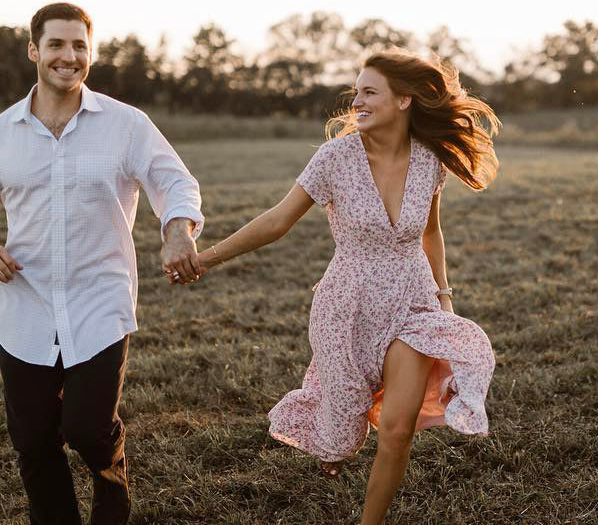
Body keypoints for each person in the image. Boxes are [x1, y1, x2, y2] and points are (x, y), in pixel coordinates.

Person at [197, 49, 499, 524]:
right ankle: (334, 441)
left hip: (411, 302)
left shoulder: (430, 161)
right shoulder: (334, 159)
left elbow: (430, 232)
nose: (356, 100)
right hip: (347, 304)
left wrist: (444, 299)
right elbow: (278, 221)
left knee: (397, 430)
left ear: (403, 101)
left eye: (369, 92)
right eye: (355, 91)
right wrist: (205, 259)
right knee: (343, 420)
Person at [0, 2, 205, 525]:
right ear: (34, 50)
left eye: (79, 45)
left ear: (91, 52)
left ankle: (113, 492)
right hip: (25, 307)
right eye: (57, 44)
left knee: (88, 428)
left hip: (99, 302)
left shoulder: (127, 125)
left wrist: (177, 232)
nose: (69, 56)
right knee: (34, 441)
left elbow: (175, 183)